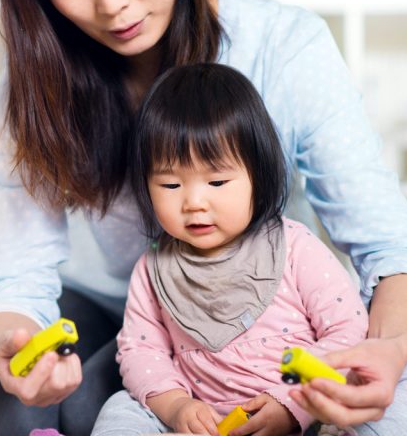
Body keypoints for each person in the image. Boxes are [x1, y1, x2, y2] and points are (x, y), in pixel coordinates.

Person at [0, 0, 407, 435]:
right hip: (113, 311)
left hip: (273, 328)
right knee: (22, 411)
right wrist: (11, 345)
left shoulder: (283, 46)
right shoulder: (36, 83)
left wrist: (384, 353)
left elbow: (391, 243)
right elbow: (17, 276)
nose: (111, 4)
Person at [92, 62, 369, 436]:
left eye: (218, 181)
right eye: (171, 185)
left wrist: (292, 405)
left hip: (307, 411)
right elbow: (142, 352)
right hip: (204, 421)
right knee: (118, 409)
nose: (193, 202)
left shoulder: (294, 247)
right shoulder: (154, 267)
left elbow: (348, 331)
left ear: (259, 173)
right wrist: (175, 406)